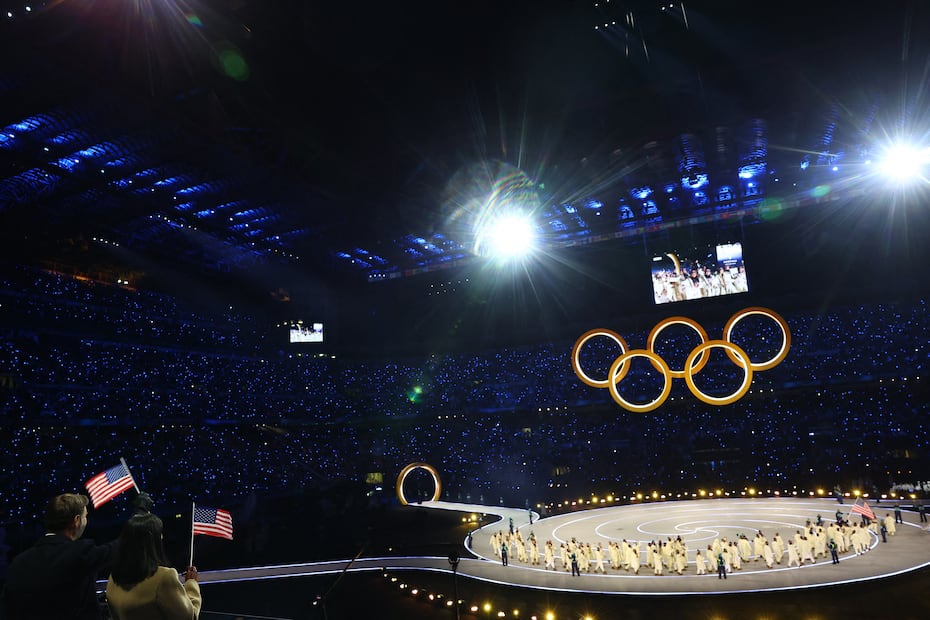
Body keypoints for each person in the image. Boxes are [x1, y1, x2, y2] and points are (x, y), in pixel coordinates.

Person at [1, 493, 122, 620]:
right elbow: (115, 548)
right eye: (85, 516)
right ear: (77, 521)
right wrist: (135, 522)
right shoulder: (79, 553)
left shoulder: (18, 562)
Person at [105, 513, 201, 619]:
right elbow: (189, 617)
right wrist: (191, 583)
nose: (162, 537)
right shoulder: (164, 577)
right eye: (160, 534)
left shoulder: (113, 578)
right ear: (152, 539)